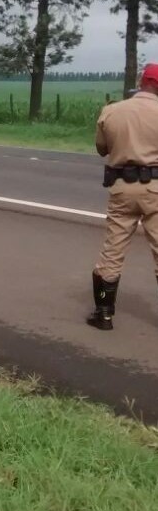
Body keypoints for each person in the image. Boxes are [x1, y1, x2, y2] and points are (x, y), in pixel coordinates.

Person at [88, 63, 158, 330]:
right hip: (156, 189)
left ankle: (104, 314)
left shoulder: (113, 110)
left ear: (142, 81)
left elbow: (101, 148)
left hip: (122, 189)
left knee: (112, 252)